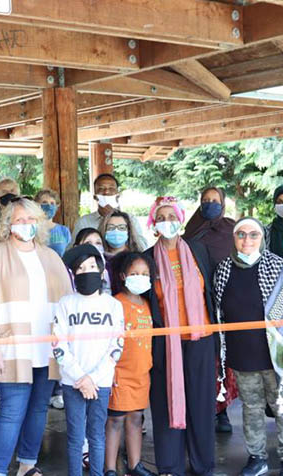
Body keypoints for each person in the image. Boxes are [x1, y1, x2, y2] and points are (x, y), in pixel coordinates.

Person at [0, 197, 72, 476]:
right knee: (11, 412)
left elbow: (67, 302)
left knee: (38, 409)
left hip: (47, 348)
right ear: (8, 223)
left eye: (30, 219)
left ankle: (27, 464)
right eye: (19, 219)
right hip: (11, 348)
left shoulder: (51, 256)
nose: (25, 224)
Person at [213, 217, 283, 476]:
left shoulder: (278, 267)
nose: (247, 240)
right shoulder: (223, 270)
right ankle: (257, 458)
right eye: (241, 234)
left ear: (262, 238)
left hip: (277, 355)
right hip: (242, 356)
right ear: (234, 238)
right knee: (251, 409)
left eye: (253, 234)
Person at [144, 196, 216, 476]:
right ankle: (170, 466)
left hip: (201, 339)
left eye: (172, 217)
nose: (167, 223)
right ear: (153, 223)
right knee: (165, 403)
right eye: (161, 218)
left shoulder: (198, 250)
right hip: (166, 344)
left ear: (181, 219)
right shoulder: (147, 258)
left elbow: (210, 291)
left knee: (201, 405)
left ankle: (203, 464)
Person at [53, 244, 124, 476]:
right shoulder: (65, 304)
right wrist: (81, 378)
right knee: (75, 438)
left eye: (92, 266)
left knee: (96, 436)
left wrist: (92, 379)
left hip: (100, 382)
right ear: (74, 274)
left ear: (101, 271)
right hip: (72, 381)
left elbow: (116, 346)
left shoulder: (113, 305)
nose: (86, 272)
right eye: (80, 268)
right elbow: (58, 344)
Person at [183, 186, 239, 434]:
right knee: (204, 356)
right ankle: (202, 409)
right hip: (198, 304)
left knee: (224, 357)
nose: (210, 204)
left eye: (215, 200)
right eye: (205, 200)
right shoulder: (191, 231)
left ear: (223, 203)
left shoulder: (231, 230)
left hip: (226, 302)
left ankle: (222, 410)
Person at [105, 252, 156, 476]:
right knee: (115, 420)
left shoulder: (147, 305)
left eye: (145, 274)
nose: (140, 278)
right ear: (123, 276)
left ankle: (135, 465)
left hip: (141, 374)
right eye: (135, 273)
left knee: (136, 419)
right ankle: (109, 468)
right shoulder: (116, 303)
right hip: (120, 374)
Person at [73, 174, 147, 251]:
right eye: (101, 189)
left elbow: (142, 247)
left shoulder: (130, 219)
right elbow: (73, 250)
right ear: (95, 196)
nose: (106, 192)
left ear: (118, 195)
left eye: (111, 189)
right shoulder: (84, 222)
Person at [98, 210, 144, 293]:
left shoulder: (138, 259)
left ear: (129, 232)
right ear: (104, 231)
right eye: (111, 228)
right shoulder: (97, 259)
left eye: (121, 228)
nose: (116, 231)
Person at [35, 188, 71, 257]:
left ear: (56, 207)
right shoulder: (33, 229)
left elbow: (68, 254)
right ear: (37, 205)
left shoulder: (64, 231)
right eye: (44, 202)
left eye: (52, 203)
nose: (49, 206)